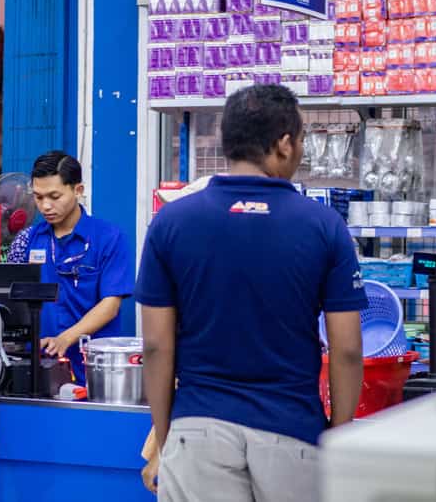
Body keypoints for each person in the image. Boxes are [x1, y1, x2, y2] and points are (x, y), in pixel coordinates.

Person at [135, 84, 367, 502]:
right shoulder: (324, 226)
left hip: (198, 429)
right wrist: (339, 430)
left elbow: (155, 344)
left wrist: (169, 434)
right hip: (293, 433)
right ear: (283, 144)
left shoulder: (171, 222)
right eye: (300, 141)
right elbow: (348, 350)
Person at [7, 151, 133, 384]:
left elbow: (110, 305)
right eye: (38, 197)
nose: (45, 206)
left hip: (94, 372)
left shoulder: (109, 238)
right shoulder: (26, 240)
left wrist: (65, 339)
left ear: (78, 190)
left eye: (54, 196)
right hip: (38, 369)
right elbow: (7, 299)